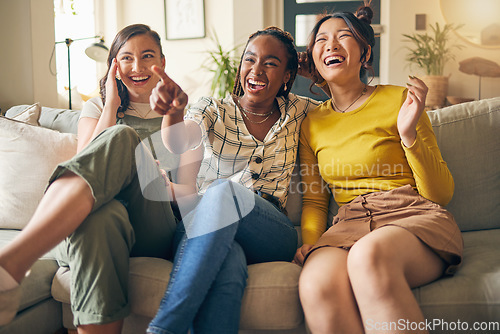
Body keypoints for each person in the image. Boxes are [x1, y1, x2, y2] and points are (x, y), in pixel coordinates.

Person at [0, 24, 199, 334]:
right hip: (99, 215)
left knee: (124, 137)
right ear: (113, 66)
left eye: (148, 56)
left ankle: (13, 262)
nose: (137, 67)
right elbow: (84, 164)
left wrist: (156, 179)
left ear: (162, 61)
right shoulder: (96, 108)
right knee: (101, 218)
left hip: (153, 227)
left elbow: (190, 194)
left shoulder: (180, 116)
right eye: (126, 58)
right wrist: (110, 106)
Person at [293, 6, 464, 334]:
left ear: (365, 52)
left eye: (343, 37)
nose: (331, 45)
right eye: (322, 41)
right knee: (315, 282)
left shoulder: (401, 99)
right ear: (314, 59)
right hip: (349, 225)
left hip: (411, 216)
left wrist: (408, 135)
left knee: (367, 256)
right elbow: (315, 199)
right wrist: (311, 242)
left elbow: (441, 193)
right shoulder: (311, 123)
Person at [145, 27, 320, 334]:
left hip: (266, 230)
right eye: (249, 60)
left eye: (271, 63)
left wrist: (316, 75)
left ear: (288, 76)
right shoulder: (212, 108)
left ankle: (164, 328)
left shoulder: (300, 110)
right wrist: (173, 113)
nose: (256, 70)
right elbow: (177, 140)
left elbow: (348, 107)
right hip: (201, 226)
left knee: (225, 192)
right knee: (228, 266)